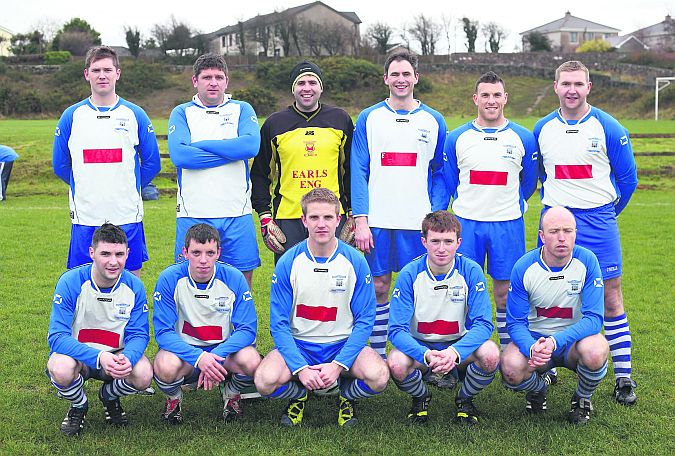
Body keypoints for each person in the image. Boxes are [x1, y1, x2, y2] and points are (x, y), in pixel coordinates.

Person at [534, 60, 638, 405]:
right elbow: (535, 177)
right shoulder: (542, 128)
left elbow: (628, 179)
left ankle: (623, 376)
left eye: (578, 84)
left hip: (598, 221)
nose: (572, 90)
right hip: (554, 222)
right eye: (566, 83)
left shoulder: (608, 126)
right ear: (556, 86)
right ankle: (545, 363)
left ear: (588, 87)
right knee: (548, 296)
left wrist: (606, 213)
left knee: (610, 297)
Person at [254, 188, 389, 427]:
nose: (321, 224)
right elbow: (279, 324)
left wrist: (338, 365)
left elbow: (365, 320)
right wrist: (301, 368)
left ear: (339, 220)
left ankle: (345, 395)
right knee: (264, 382)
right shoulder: (288, 262)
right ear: (303, 221)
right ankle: (299, 394)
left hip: (342, 344)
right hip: (300, 344)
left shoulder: (355, 261)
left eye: (328, 217)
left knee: (379, 377)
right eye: (314, 218)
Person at [351, 51, 448, 359]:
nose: (401, 80)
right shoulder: (369, 117)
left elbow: (439, 172)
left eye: (406, 74)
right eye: (395, 74)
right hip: (378, 220)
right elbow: (359, 169)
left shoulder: (434, 120)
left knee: (419, 289)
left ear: (416, 78)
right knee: (379, 286)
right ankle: (378, 356)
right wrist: (361, 219)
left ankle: (424, 356)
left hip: (416, 222)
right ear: (386, 79)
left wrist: (434, 217)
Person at [444, 71, 538, 353]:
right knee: (462, 291)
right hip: (467, 224)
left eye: (497, 94)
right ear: (475, 99)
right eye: (485, 95)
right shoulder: (457, 137)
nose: (491, 100)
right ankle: (463, 355)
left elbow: (529, 182)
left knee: (505, 291)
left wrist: (507, 202)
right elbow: (452, 182)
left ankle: (512, 354)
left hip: (506, 224)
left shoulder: (523, 137)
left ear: (505, 98)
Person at [52, 45, 161, 276]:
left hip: (126, 213)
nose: (102, 75)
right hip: (86, 215)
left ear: (117, 73)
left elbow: (152, 163)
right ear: (86, 74)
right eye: (96, 70)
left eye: (108, 70)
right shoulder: (71, 116)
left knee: (130, 281)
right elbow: (60, 165)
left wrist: (128, 187)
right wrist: (84, 186)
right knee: (83, 282)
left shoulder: (135, 114)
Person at [387, 211, 498, 425]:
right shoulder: (410, 274)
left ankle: (465, 398)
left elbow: (484, 324)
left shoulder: (471, 271)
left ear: (458, 242)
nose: (441, 248)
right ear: (424, 242)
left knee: (491, 354)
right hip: (421, 346)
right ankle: (420, 396)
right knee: (396, 363)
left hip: (458, 345)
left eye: (448, 241)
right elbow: (396, 330)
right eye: (435, 241)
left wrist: (455, 352)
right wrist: (425, 354)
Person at [501, 206, 609, 425]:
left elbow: (594, 319)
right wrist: (532, 347)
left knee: (596, 351)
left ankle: (582, 398)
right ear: (542, 236)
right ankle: (538, 389)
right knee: (510, 368)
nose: (562, 238)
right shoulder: (524, 267)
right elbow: (515, 323)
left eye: (568, 231)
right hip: (537, 344)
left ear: (575, 234)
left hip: (572, 343)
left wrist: (555, 340)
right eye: (554, 231)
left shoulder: (587, 261)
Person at [47, 223, 153, 436]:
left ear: (128, 254)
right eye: (105, 254)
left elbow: (139, 333)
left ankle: (109, 396)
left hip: (116, 356)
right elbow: (57, 337)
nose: (113, 261)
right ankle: (79, 404)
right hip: (79, 356)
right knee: (60, 367)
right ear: (92, 253)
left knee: (143, 375)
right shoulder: (70, 282)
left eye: (119, 254)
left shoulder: (134, 286)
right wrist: (98, 357)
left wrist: (129, 358)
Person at [168, 53, 261, 288]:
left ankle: (237, 326)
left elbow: (251, 146)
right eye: (206, 77)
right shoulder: (182, 112)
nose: (213, 82)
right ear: (195, 81)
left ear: (226, 81)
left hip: (236, 212)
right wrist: (231, 150)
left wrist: (200, 147)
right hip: (193, 212)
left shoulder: (242, 109)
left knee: (240, 285)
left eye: (219, 77)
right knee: (190, 285)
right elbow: (180, 156)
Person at [152, 223, 260, 424]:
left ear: (218, 253)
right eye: (196, 252)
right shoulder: (169, 278)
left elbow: (247, 329)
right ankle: (173, 399)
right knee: (164, 365)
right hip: (185, 354)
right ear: (184, 252)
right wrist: (199, 357)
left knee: (252, 361)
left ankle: (232, 393)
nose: (203, 260)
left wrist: (215, 355)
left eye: (210, 253)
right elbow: (163, 332)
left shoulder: (233, 277)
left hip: (223, 354)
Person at [251, 60, 355, 263]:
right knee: (291, 280)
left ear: (321, 87)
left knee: (337, 280)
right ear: (293, 88)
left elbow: (351, 171)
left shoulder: (340, 120)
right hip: (289, 217)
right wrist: (264, 216)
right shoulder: (274, 124)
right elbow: (261, 173)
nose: (307, 88)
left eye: (312, 82)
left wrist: (353, 213)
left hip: (333, 215)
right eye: (301, 83)